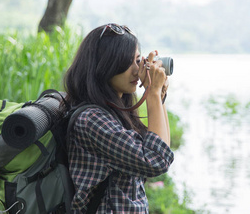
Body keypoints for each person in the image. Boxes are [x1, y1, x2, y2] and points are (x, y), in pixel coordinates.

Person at [63, 23, 174, 213]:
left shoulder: (115, 108)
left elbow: (160, 147)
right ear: (104, 66)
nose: (136, 70)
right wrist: (152, 93)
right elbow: (157, 160)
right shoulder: (91, 120)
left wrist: (159, 95)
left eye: (138, 60)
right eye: (126, 63)